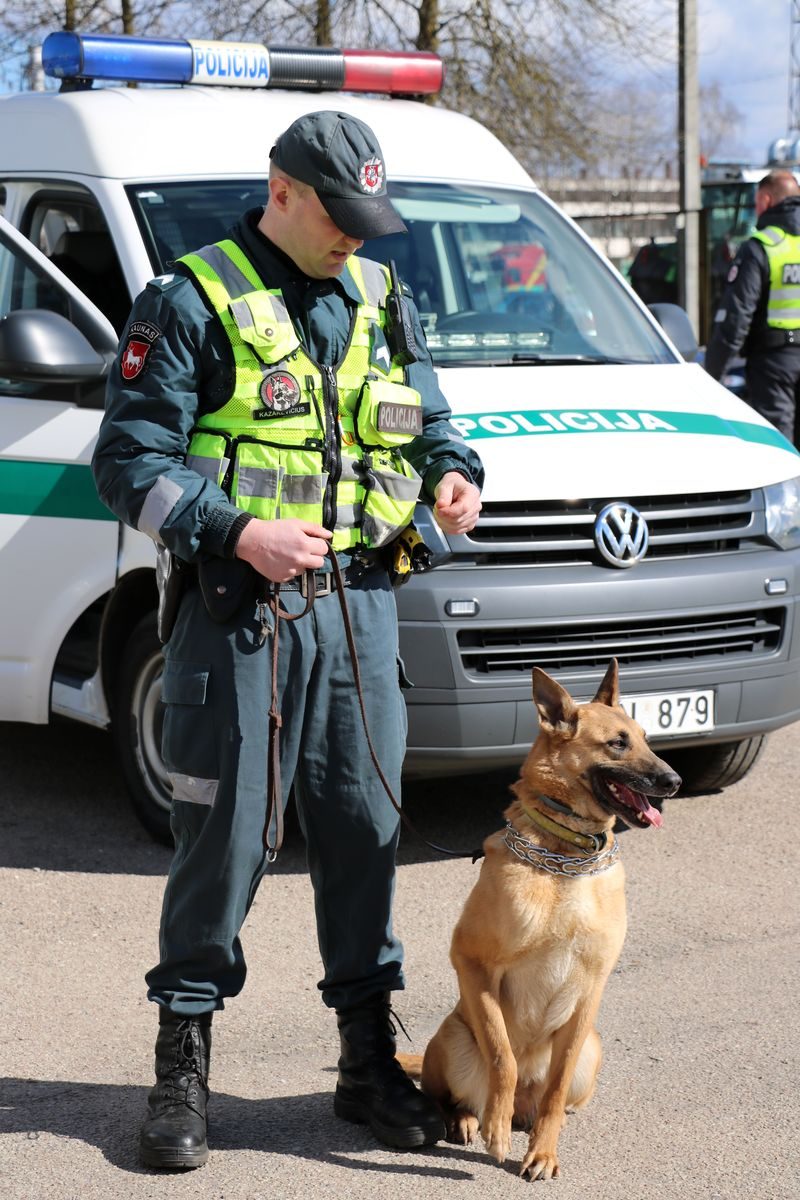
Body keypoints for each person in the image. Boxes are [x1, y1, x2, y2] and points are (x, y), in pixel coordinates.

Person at [91, 109, 484, 1170]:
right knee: (224, 841)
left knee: (364, 827)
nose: (357, 235)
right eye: (339, 214)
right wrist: (234, 529)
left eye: (367, 214)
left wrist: (456, 478)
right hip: (240, 615)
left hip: (362, 604)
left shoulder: (378, 295)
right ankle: (182, 1062)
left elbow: (435, 422)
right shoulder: (190, 297)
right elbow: (126, 461)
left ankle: (364, 1062)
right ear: (283, 192)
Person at [705, 169, 800, 443]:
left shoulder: (762, 246)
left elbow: (736, 317)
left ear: (767, 200)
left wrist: (712, 378)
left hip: (774, 364)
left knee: (779, 448)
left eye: (757, 202)